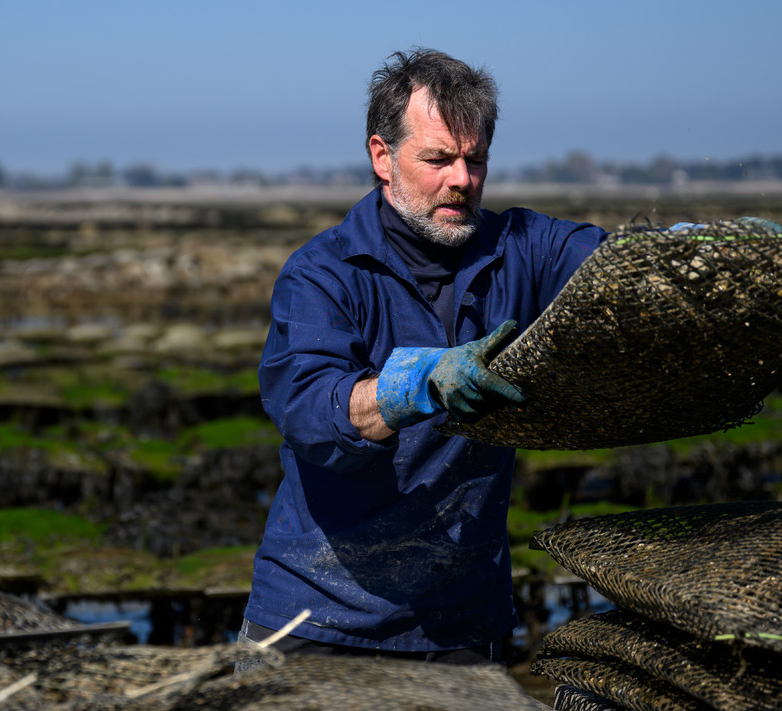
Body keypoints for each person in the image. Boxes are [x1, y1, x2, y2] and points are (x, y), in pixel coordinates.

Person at [239, 49, 608, 663]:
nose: (461, 180)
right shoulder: (323, 273)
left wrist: (694, 251)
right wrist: (417, 383)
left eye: (476, 160)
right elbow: (309, 411)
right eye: (438, 159)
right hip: (316, 616)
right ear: (382, 157)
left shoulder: (524, 248)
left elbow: (615, 265)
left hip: (459, 621)